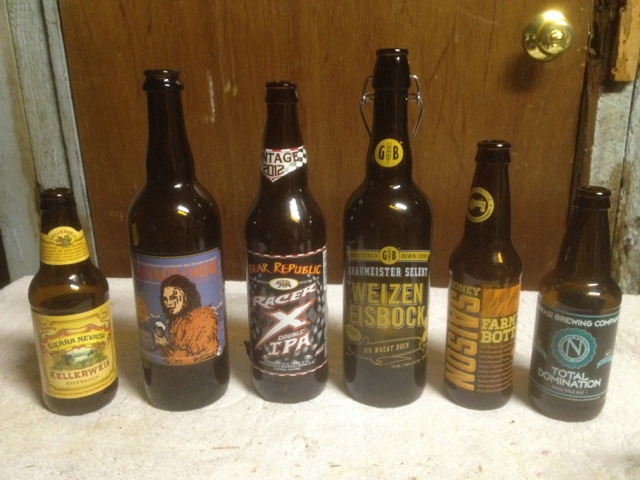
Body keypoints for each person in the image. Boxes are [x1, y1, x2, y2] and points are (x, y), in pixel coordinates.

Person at [153, 274, 219, 365]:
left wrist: (165, 346)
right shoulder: (177, 324)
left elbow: (195, 359)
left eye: (173, 298)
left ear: (187, 296)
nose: (168, 303)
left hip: (203, 370)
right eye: (165, 299)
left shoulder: (201, 322)